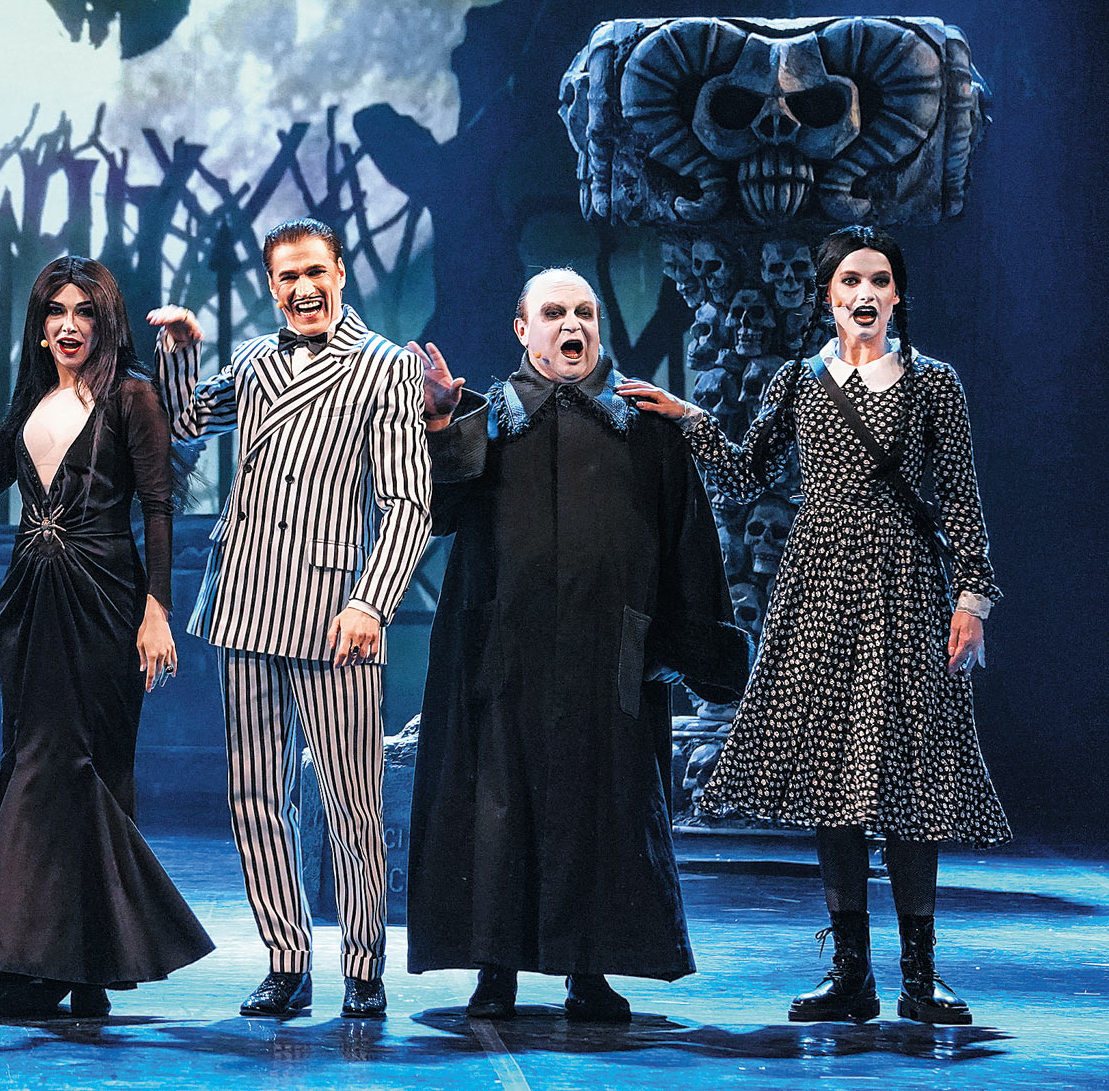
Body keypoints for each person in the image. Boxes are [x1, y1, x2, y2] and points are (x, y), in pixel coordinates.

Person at [619, 225, 1006, 1026]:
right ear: (826, 296)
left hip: (905, 585)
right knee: (836, 774)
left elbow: (961, 496)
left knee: (911, 773)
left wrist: (971, 599)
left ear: (897, 294)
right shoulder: (797, 381)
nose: (865, 293)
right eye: (850, 281)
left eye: (879, 280)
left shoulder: (934, 383)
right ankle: (851, 973)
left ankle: (921, 974)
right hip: (818, 587)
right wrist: (686, 415)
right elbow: (744, 472)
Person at [405, 269, 747, 1022]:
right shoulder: (484, 418)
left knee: (604, 804)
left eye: (585, 312)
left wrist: (690, 643)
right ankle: (495, 968)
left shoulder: (645, 423)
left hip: (607, 648)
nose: (573, 324)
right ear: (522, 329)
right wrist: (437, 426)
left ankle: (590, 969)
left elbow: (688, 539)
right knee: (499, 802)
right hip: (504, 647)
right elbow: (434, 513)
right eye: (554, 312)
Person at [0, 255, 212, 1018]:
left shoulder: (132, 396)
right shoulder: (31, 398)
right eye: (56, 311)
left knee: (90, 765)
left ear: (106, 323)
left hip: (105, 596)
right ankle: (35, 963)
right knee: (30, 762)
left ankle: (79, 966)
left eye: (85, 312)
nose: (70, 325)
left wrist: (157, 610)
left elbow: (158, 506)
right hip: (30, 597)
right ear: (40, 327)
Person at [146, 218, 430, 1019]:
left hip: (336, 609)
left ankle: (364, 967)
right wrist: (182, 351)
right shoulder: (255, 361)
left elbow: (407, 499)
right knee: (254, 794)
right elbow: (184, 424)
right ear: (271, 287)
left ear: (340, 272)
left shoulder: (384, 366)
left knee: (350, 798)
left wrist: (372, 600)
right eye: (287, 277)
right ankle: (286, 961)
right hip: (245, 597)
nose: (303, 289)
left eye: (314, 272)